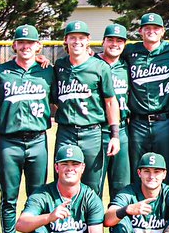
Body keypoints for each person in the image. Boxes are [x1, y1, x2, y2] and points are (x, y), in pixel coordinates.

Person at [0, 24, 54, 233]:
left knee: (36, 196)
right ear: (15, 45)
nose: (26, 46)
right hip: (9, 140)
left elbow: (58, 99)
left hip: (38, 140)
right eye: (21, 42)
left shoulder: (47, 71)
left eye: (31, 43)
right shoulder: (1, 71)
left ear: (38, 45)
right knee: (9, 195)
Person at [51, 20, 120, 196]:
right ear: (65, 40)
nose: (77, 42)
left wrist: (115, 135)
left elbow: (111, 101)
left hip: (92, 133)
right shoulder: (59, 66)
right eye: (72, 37)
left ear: (88, 40)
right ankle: (64, 223)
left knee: (92, 185)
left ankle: (91, 223)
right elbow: (54, 99)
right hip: (66, 131)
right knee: (62, 182)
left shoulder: (99, 66)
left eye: (81, 38)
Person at [119, 13, 169, 185]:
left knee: (165, 170)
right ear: (140, 31)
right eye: (147, 28)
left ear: (162, 31)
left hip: (165, 121)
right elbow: (108, 56)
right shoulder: (131, 51)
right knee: (137, 170)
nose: (151, 31)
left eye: (156, 28)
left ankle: (164, 210)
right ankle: (137, 210)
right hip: (137, 122)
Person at [99, 24, 132, 198]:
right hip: (96, 130)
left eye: (119, 41)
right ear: (103, 42)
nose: (114, 44)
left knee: (121, 187)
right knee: (92, 186)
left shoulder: (127, 67)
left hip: (122, 129)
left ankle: (118, 225)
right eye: (110, 39)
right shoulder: (93, 64)